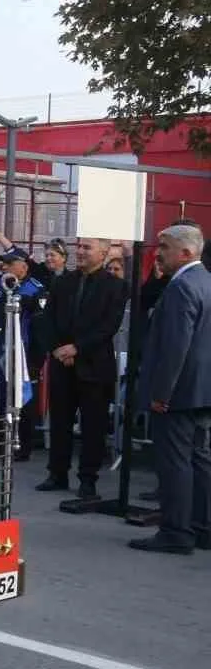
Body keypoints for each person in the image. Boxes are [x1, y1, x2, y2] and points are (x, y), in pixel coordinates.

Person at [130, 224, 210, 553]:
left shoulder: (181, 287)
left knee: (175, 461)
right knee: (199, 459)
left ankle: (176, 532)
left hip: (178, 393)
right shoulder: (206, 280)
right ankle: (202, 527)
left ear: (186, 252)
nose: (157, 252)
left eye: (164, 246)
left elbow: (176, 345)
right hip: (202, 391)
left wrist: (162, 393)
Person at [32, 237, 128, 499]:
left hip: (94, 365)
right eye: (80, 247)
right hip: (62, 364)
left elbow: (108, 325)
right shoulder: (63, 282)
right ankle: (57, 473)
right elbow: (47, 319)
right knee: (60, 421)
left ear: (104, 252)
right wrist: (57, 349)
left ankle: (88, 480)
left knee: (93, 426)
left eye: (87, 248)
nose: (81, 252)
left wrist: (78, 348)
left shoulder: (116, 286)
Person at [0, 247, 47, 459]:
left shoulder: (36, 289)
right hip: (4, 348)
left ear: (24, 266)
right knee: (2, 395)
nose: (5, 267)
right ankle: (1, 441)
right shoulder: (3, 285)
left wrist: (37, 358)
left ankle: (23, 445)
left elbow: (40, 323)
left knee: (24, 400)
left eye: (10, 263)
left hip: (26, 353)